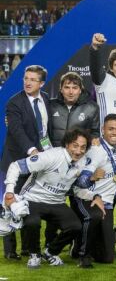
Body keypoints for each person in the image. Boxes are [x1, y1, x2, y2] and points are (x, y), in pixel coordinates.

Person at [3, 129, 92, 268]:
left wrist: (95, 196)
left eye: (83, 147)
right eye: (75, 145)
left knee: (75, 226)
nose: (79, 151)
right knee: (32, 223)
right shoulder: (51, 156)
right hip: (33, 199)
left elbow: (77, 188)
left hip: (57, 202)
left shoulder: (83, 162)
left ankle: (50, 252)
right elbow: (15, 166)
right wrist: (9, 192)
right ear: (67, 144)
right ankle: (34, 254)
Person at [1, 65, 52, 260]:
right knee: (11, 203)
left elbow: (46, 131)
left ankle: (27, 248)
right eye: (26, 78)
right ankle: (10, 250)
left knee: (28, 204)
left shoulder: (46, 99)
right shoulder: (14, 103)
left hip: (38, 162)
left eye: (32, 79)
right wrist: (32, 150)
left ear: (41, 83)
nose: (28, 82)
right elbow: (16, 131)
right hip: (16, 160)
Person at [71, 114, 116, 268]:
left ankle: (87, 239)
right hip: (89, 198)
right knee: (94, 217)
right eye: (110, 129)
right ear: (102, 130)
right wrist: (92, 177)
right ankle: (80, 248)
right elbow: (80, 182)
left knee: (107, 258)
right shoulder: (97, 151)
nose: (114, 132)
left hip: (107, 203)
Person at [49, 72, 100, 147]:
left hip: (78, 154)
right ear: (61, 90)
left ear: (80, 90)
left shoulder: (92, 107)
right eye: (67, 87)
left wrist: (93, 140)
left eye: (75, 88)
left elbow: (95, 132)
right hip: (54, 153)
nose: (71, 92)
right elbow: (43, 130)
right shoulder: (50, 105)